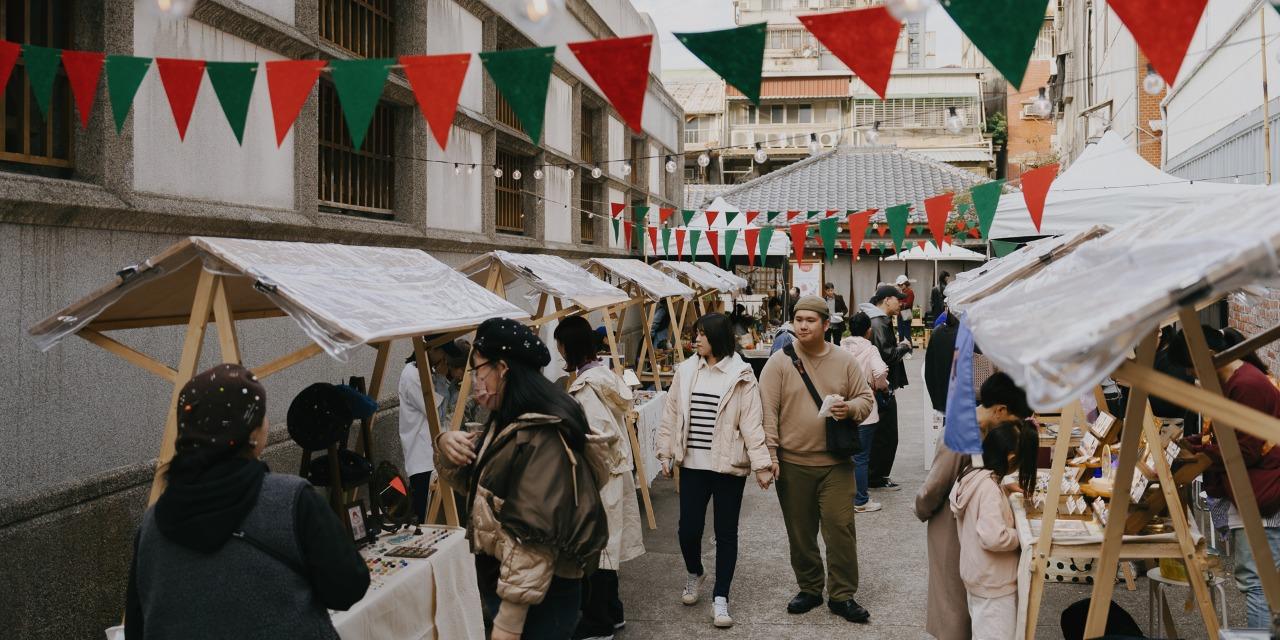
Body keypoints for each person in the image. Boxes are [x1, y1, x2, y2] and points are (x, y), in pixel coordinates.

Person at [125, 364, 369, 639]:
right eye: (263, 415)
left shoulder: (152, 525)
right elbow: (348, 588)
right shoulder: (292, 500)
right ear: (251, 433)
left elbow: (137, 627)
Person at [435, 318, 608, 640]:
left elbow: (534, 534)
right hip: (515, 585)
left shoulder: (542, 434)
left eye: (477, 369)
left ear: (501, 369)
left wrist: (509, 621)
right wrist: (445, 445)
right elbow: (478, 487)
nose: (474, 380)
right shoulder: (508, 420)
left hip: (538, 599)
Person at [760, 296, 875, 623]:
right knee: (800, 532)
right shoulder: (779, 363)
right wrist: (770, 455)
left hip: (835, 464)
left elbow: (866, 399)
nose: (803, 326)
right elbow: (767, 413)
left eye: (810, 320)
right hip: (793, 464)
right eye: (798, 320)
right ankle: (810, 587)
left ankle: (842, 594)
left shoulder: (844, 360)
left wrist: (848, 409)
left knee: (840, 528)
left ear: (826, 325)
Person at [655, 313, 773, 629]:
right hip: (692, 465)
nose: (696, 339)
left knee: (726, 533)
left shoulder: (741, 374)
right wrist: (665, 452)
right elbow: (671, 414)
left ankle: (721, 597)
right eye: (696, 333)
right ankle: (695, 572)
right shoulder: (686, 371)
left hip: (728, 465)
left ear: (718, 337)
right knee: (688, 530)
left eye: (702, 334)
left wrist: (762, 465)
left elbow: (752, 423)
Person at [1171, 325, 1280, 628]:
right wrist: (1194, 444)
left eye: (1192, 368)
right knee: (1258, 580)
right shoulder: (1237, 381)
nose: (1193, 376)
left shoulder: (1245, 385)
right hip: (1255, 490)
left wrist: (1200, 453)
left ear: (1208, 355)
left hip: (1262, 492)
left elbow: (1245, 450)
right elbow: (1230, 439)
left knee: (1257, 582)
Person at [914, 372, 1033, 640]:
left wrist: (1000, 488)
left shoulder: (984, 429)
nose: (1015, 429)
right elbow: (934, 486)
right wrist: (920, 509)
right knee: (953, 604)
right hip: (949, 522)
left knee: (970, 602)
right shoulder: (961, 432)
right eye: (1015, 421)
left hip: (970, 518)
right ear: (1000, 410)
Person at [553, 316, 645, 640]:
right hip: (613, 473)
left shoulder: (587, 387)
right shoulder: (603, 376)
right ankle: (613, 613)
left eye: (560, 344)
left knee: (597, 550)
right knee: (608, 546)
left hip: (601, 476)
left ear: (569, 347)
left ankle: (599, 622)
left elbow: (597, 437)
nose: (558, 350)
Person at [950, 419, 1037, 640]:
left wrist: (1004, 489)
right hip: (994, 582)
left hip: (979, 575)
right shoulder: (989, 488)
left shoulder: (974, 474)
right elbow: (994, 537)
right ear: (1011, 457)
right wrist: (1022, 536)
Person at [399, 338, 470, 523]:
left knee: (446, 521)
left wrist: (450, 382)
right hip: (423, 461)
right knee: (428, 520)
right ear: (431, 349)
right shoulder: (412, 375)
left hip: (435, 457)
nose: (445, 359)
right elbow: (437, 414)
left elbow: (448, 408)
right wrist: (440, 378)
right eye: (443, 353)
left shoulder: (427, 372)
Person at [859, 285, 912, 490]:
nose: (901, 303)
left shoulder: (876, 319)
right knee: (886, 434)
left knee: (880, 432)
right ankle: (876, 477)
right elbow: (886, 355)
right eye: (898, 300)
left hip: (873, 385)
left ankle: (875, 475)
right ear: (887, 299)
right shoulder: (879, 322)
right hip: (881, 386)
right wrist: (904, 346)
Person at [840, 311, 889, 513]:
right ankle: (860, 500)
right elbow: (880, 371)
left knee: (844, 457)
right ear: (868, 331)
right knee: (861, 458)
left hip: (843, 407)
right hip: (865, 409)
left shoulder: (840, 347)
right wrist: (881, 386)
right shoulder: (870, 350)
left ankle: (844, 497)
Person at [925, 312, 961, 412]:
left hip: (942, 400)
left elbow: (929, 371)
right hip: (965, 403)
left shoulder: (937, 331)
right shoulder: (969, 335)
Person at [895, 275, 916, 348]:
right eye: (899, 285)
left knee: (907, 333)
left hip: (907, 313)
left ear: (906, 283)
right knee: (900, 333)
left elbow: (909, 304)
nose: (900, 286)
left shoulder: (910, 292)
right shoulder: (900, 291)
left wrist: (900, 304)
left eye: (901, 284)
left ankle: (909, 350)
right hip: (900, 314)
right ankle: (901, 349)